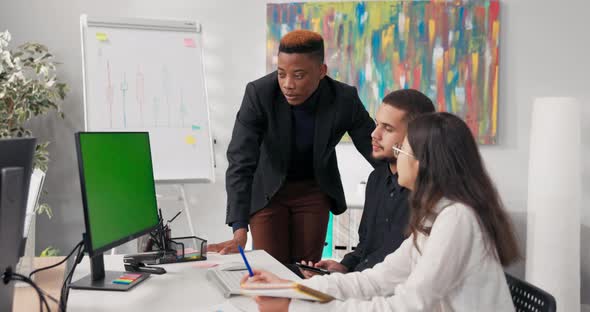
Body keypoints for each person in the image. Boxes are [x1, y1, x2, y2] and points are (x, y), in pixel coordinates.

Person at [246, 112, 520, 311]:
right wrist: (290, 288)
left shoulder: (457, 219)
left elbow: (408, 305)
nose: (397, 157)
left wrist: (294, 306)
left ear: (424, 163)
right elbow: (376, 280)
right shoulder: (435, 216)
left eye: (403, 149)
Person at [208, 30, 379, 264]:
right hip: (268, 191)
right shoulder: (259, 94)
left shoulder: (343, 98)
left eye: (298, 75)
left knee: (306, 270)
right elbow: (241, 160)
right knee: (270, 268)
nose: (288, 84)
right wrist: (239, 228)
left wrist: (409, 179)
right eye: (281, 74)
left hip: (314, 189)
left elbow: (374, 146)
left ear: (321, 71)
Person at [299, 89, 435, 277]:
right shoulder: (376, 180)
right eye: (377, 124)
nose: (374, 134)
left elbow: (398, 269)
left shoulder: (431, 195)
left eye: (387, 128)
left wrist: (344, 281)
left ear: (416, 138)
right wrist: (344, 266)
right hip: (362, 284)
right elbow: (366, 247)